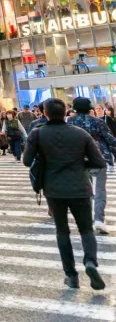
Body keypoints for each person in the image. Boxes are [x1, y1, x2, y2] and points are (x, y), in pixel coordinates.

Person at [24, 98, 107, 289]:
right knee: (86, 229)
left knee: (62, 231)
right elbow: (99, 162)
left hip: (53, 189)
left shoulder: (37, 134)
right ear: (65, 113)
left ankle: (72, 276)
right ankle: (90, 262)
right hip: (80, 187)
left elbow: (27, 161)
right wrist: (81, 164)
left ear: (45, 113)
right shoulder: (80, 133)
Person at [67, 97, 116, 235]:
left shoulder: (69, 122)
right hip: (98, 158)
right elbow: (111, 140)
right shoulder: (98, 122)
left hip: (78, 160)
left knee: (85, 190)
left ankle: (87, 219)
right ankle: (99, 219)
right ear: (90, 108)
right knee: (99, 190)